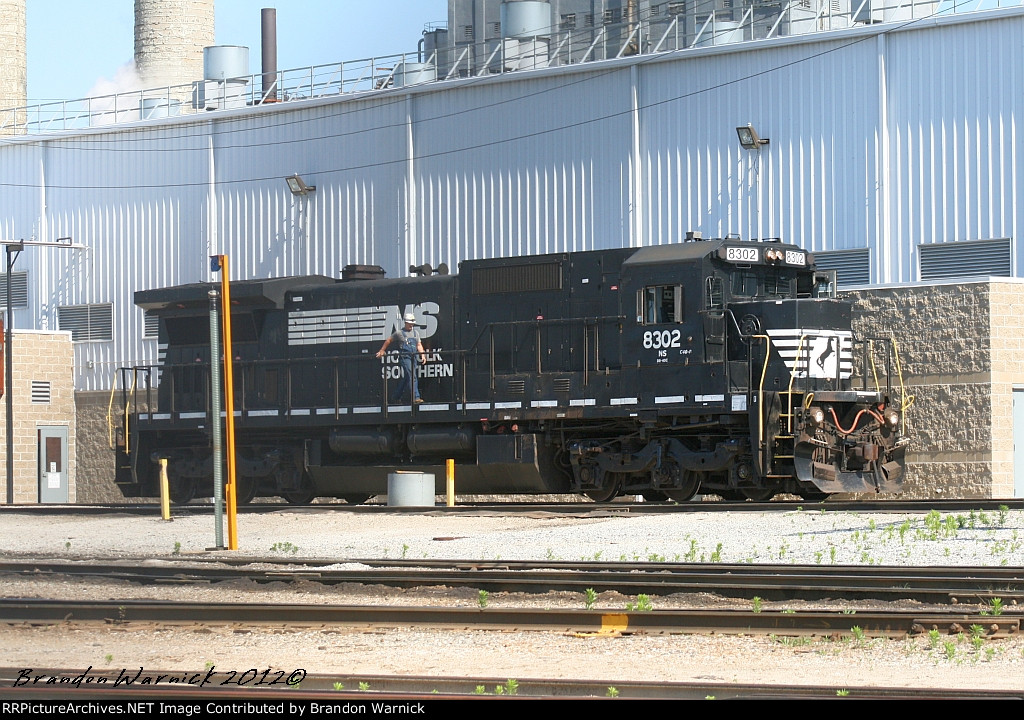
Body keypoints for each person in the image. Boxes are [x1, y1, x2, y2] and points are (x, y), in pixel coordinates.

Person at [375, 312, 426, 404]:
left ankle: (396, 396)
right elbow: (389, 340)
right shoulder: (399, 333)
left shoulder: (416, 333)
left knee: (407, 377)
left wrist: (422, 355)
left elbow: (419, 345)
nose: (411, 325)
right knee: (412, 375)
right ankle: (416, 397)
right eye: (410, 323)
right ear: (405, 322)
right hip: (404, 357)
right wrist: (382, 350)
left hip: (413, 357)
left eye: (412, 323)